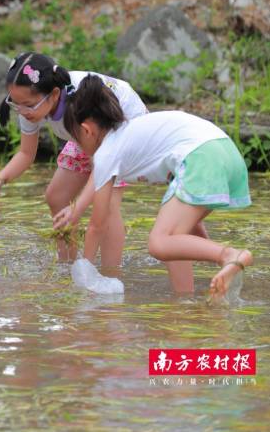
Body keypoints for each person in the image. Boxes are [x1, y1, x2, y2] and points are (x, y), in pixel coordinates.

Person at [53, 75, 252, 297]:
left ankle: (229, 255)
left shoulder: (107, 152)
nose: (78, 145)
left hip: (201, 158)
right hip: (225, 151)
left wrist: (86, 272)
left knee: (159, 243)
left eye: (75, 139)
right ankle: (186, 302)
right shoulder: (131, 131)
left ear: (87, 130)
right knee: (175, 238)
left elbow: (97, 225)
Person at [0, 52, 147, 266]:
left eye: (28, 105)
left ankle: (111, 275)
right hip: (83, 135)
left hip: (122, 128)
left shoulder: (82, 102)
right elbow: (26, 154)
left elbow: (103, 165)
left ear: (54, 94)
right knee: (56, 196)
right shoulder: (28, 104)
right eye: (16, 104)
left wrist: (79, 207)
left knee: (106, 206)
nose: (23, 111)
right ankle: (68, 266)